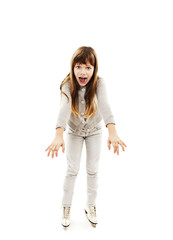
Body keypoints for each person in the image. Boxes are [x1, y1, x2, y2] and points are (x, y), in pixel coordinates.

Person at [45, 46, 127, 228]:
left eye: (88, 68)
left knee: (92, 170)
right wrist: (59, 134)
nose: (83, 71)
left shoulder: (99, 83)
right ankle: (65, 206)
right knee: (72, 170)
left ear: (94, 69)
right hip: (74, 132)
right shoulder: (67, 84)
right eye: (79, 66)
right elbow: (63, 110)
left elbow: (105, 106)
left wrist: (112, 131)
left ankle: (90, 206)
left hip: (95, 131)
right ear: (73, 67)